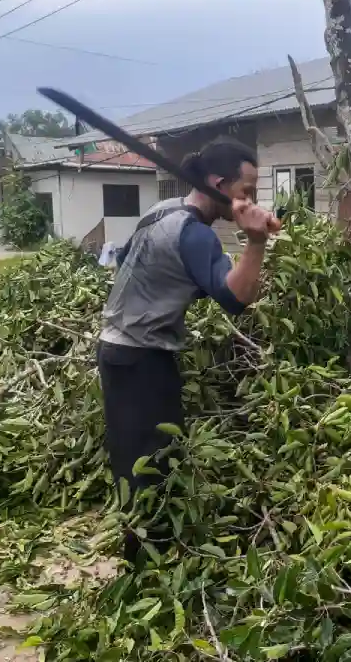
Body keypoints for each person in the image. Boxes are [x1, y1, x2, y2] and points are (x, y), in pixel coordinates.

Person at [96, 136, 280, 564]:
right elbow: (235, 299)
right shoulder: (195, 234)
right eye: (245, 191)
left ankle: (142, 553)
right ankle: (149, 566)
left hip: (116, 350)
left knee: (133, 456)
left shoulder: (161, 212)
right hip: (143, 358)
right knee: (154, 461)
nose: (249, 200)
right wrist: (255, 243)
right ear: (218, 183)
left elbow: (127, 262)